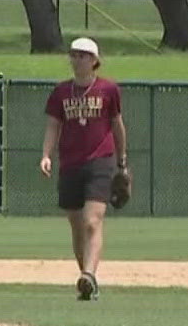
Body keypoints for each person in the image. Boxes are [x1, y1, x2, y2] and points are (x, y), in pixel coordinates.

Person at [40, 36, 128, 300]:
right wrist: (46, 154)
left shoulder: (108, 90)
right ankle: (87, 280)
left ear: (94, 61)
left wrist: (122, 161)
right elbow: (53, 125)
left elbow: (117, 126)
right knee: (77, 225)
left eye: (82, 55)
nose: (76, 59)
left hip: (101, 160)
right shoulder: (60, 92)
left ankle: (88, 274)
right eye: (73, 54)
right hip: (70, 163)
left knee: (92, 221)